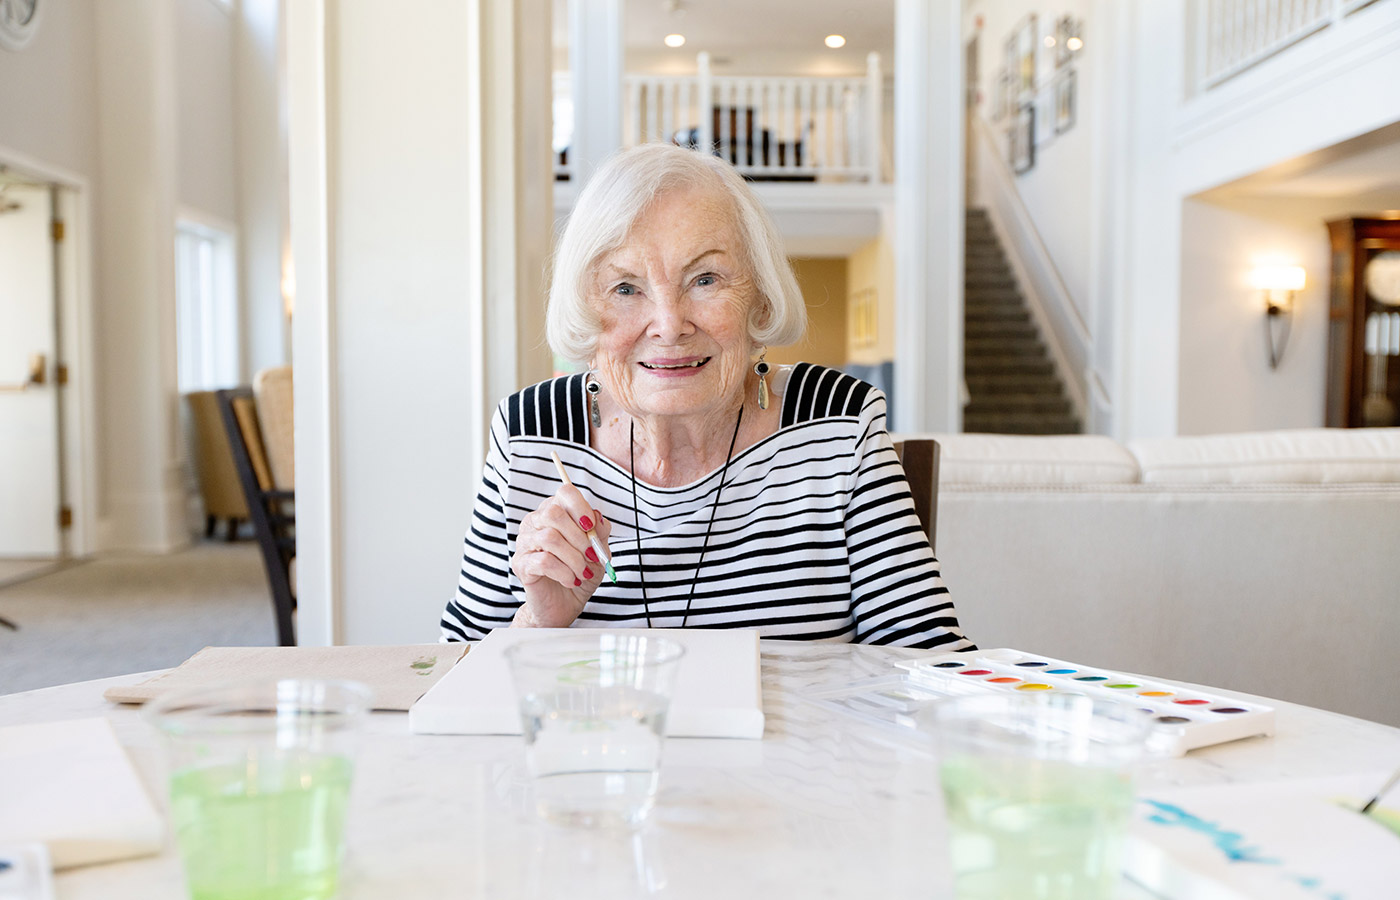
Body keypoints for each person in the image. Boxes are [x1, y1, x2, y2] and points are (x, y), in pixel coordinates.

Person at [440, 143, 972, 649]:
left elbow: (931, 661)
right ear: (584, 307)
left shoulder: (838, 423)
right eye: (626, 288)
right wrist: (539, 622)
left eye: (706, 279)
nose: (669, 326)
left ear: (759, 297)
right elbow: (450, 680)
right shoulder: (530, 434)